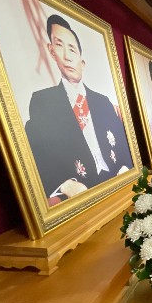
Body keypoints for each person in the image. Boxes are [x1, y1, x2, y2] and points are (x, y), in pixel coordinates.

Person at [25, 14, 133, 206]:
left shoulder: (104, 102)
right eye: (59, 45)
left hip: (116, 185)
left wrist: (126, 168)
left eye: (72, 49)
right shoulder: (42, 102)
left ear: (82, 62)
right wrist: (65, 184)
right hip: (81, 192)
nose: (67, 56)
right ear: (51, 51)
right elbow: (36, 156)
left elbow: (125, 147)